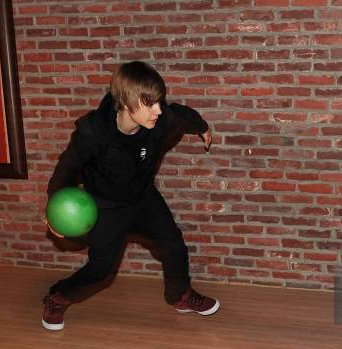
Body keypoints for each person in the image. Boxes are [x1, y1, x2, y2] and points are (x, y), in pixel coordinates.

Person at [42, 61, 219, 331]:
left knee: (174, 246)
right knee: (100, 270)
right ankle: (58, 297)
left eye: (159, 102)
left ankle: (179, 295)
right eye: (150, 104)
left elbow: (183, 115)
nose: (158, 111)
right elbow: (65, 171)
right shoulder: (92, 133)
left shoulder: (160, 121)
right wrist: (54, 214)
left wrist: (203, 127)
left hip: (142, 197)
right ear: (126, 102)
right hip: (105, 207)